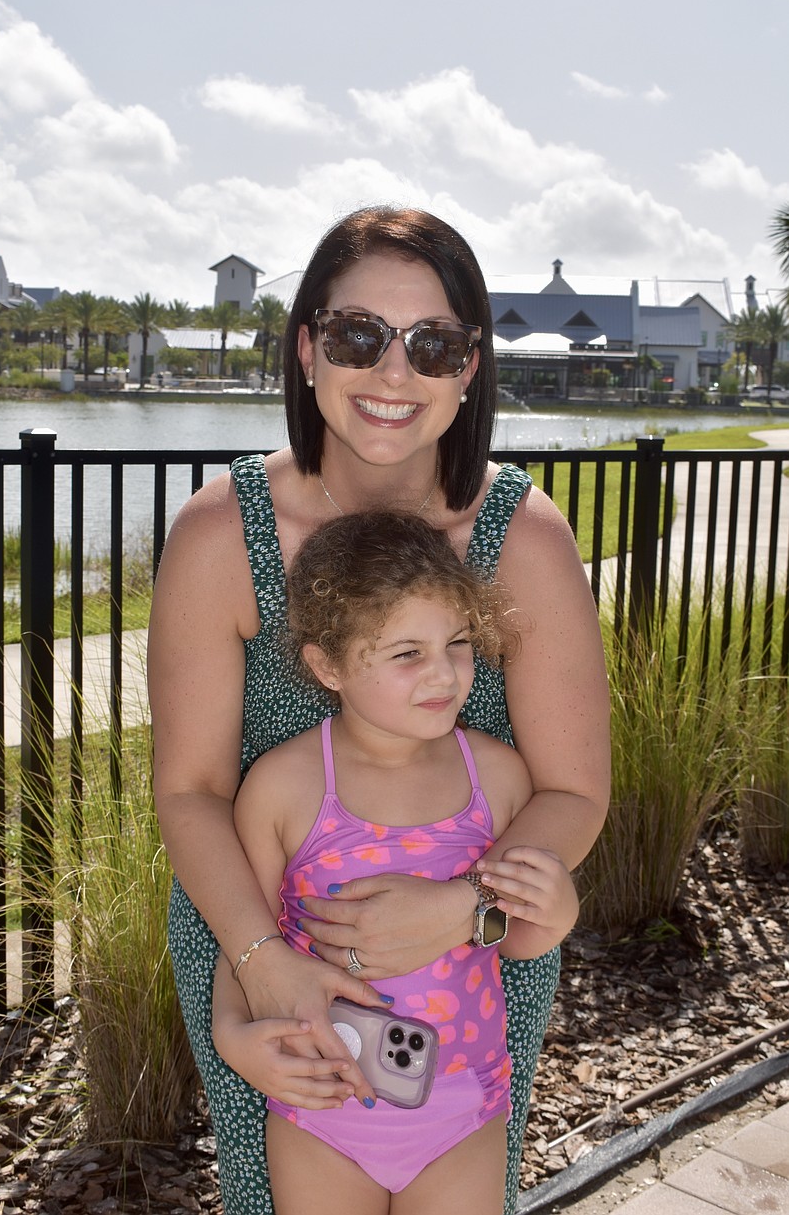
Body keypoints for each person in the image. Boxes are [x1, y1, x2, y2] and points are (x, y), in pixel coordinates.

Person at [147, 205, 610, 1215]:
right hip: (253, 944)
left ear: (469, 368)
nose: (394, 374)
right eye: (360, 336)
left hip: (475, 970)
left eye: (432, 345)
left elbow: (572, 789)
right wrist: (265, 977)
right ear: (308, 347)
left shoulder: (520, 537)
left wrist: (472, 910)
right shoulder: (223, 532)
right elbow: (188, 790)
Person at [212, 511, 580, 1214]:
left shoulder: (497, 780)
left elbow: (513, 933)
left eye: (459, 642)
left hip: (463, 1111)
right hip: (322, 1112)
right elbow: (246, 947)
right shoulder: (284, 788)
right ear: (328, 665)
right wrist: (236, 1040)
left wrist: (558, 910)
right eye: (407, 653)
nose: (443, 672)